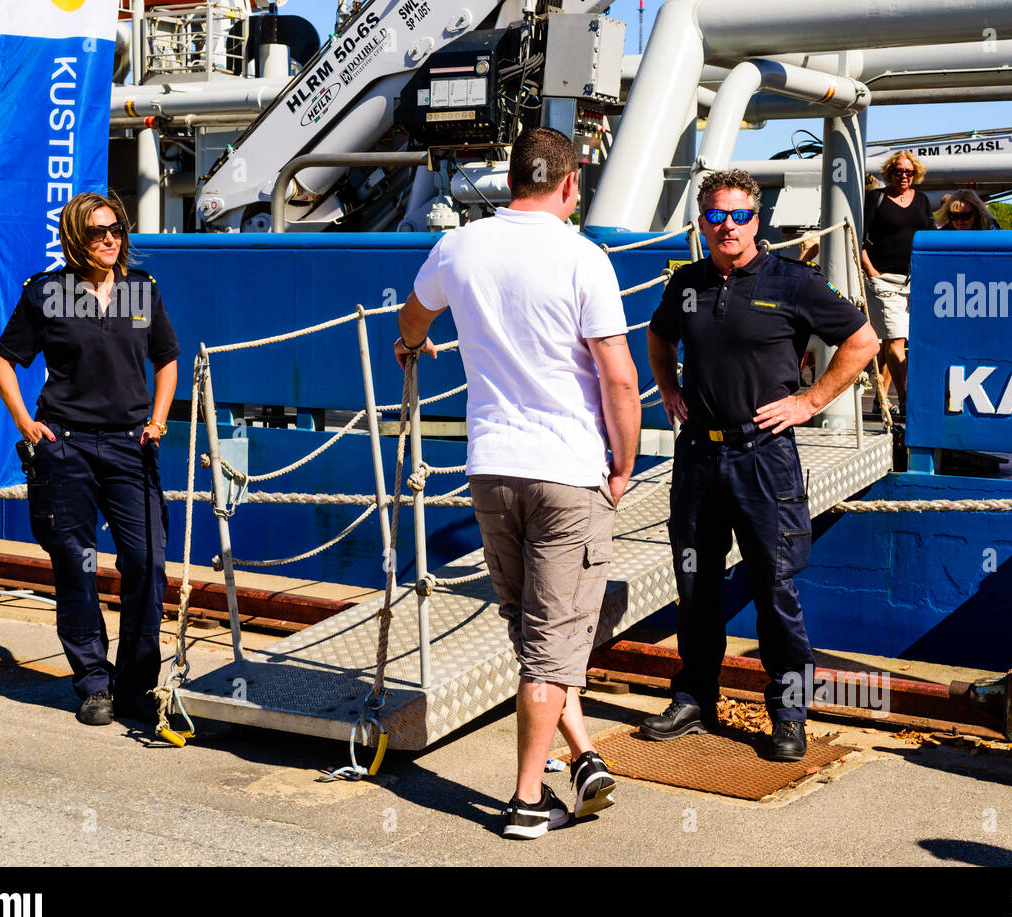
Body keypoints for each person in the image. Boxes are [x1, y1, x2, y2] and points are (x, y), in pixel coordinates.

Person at [394, 127, 641, 839]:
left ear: (509, 182)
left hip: (492, 468)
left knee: (534, 634)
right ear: (570, 185)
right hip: (569, 471)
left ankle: (585, 755)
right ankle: (528, 802)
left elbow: (413, 318)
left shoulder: (461, 246)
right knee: (552, 642)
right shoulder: (583, 258)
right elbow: (619, 377)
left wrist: (412, 347)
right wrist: (622, 462)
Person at [643, 170, 877, 760]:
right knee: (694, 585)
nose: (728, 226)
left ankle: (788, 714)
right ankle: (696, 696)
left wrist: (811, 401)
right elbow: (658, 335)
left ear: (758, 220)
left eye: (739, 215)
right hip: (698, 455)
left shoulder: (793, 283)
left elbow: (863, 340)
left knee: (775, 589)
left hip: (763, 458)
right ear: (701, 222)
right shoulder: (686, 284)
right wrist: (668, 387)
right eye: (716, 216)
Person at [0, 192, 180, 727]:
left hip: (130, 445)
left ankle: (137, 684)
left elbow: (165, 359)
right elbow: (4, 361)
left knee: (147, 562)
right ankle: (94, 683)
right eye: (98, 231)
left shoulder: (141, 292)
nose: (110, 238)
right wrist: (27, 424)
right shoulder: (47, 294)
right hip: (66, 446)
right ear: (76, 238)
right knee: (77, 568)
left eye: (116, 228)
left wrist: (158, 421)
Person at [861, 150, 933, 418]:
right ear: (889, 172)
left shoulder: (923, 200)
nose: (904, 176)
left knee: (902, 339)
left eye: (909, 172)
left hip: (915, 279)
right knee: (895, 339)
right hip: (884, 279)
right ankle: (905, 400)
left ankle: (883, 397)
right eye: (899, 171)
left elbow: (931, 238)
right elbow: (859, 236)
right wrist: (871, 271)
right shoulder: (875, 198)